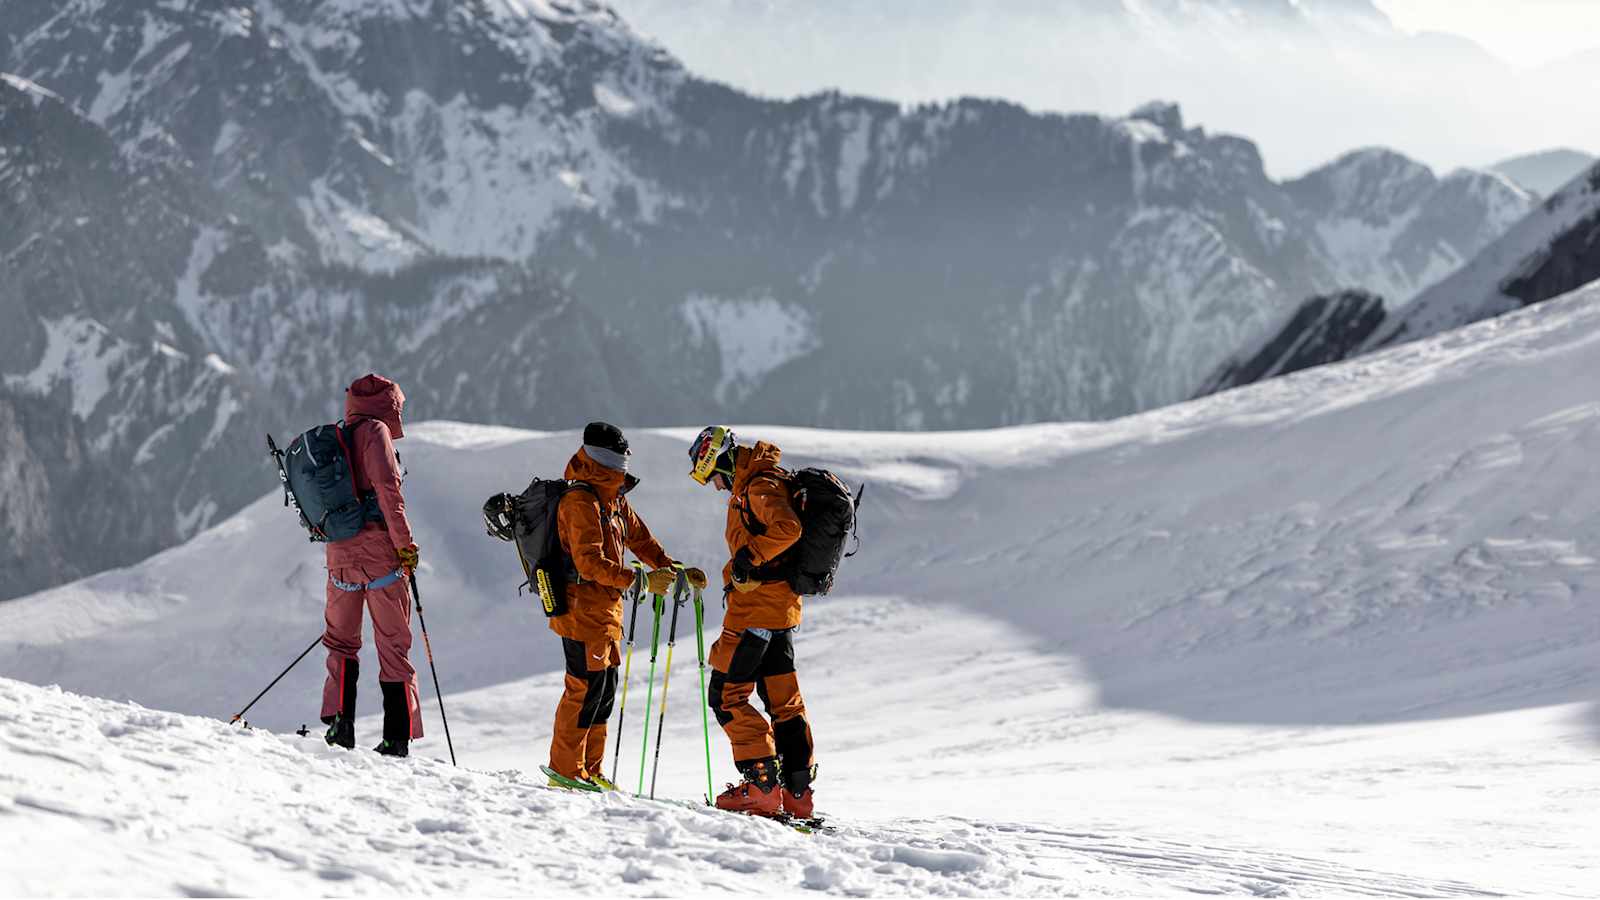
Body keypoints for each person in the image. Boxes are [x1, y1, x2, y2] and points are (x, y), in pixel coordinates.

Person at [548, 422, 706, 787]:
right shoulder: (580, 502)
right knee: (583, 689)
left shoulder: (613, 499)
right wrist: (641, 580)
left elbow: (641, 540)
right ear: (606, 461)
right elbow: (589, 563)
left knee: (603, 691)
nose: (624, 466)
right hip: (581, 611)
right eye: (620, 459)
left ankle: (590, 770)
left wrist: (672, 570)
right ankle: (564, 770)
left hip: (605, 612)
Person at [687, 426, 816, 818]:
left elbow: (788, 529)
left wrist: (748, 559)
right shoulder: (765, 480)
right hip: (778, 611)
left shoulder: (758, 488)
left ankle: (761, 787)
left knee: (726, 697)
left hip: (755, 613)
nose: (715, 487)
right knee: (785, 704)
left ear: (720, 462)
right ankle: (797, 796)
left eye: (713, 477)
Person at [321, 373, 423, 757]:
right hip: (380, 550)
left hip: (339, 553)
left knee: (341, 641)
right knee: (393, 644)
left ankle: (339, 727)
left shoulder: (339, 434)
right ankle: (396, 737)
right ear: (390, 404)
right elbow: (388, 493)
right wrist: (406, 547)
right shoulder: (376, 431)